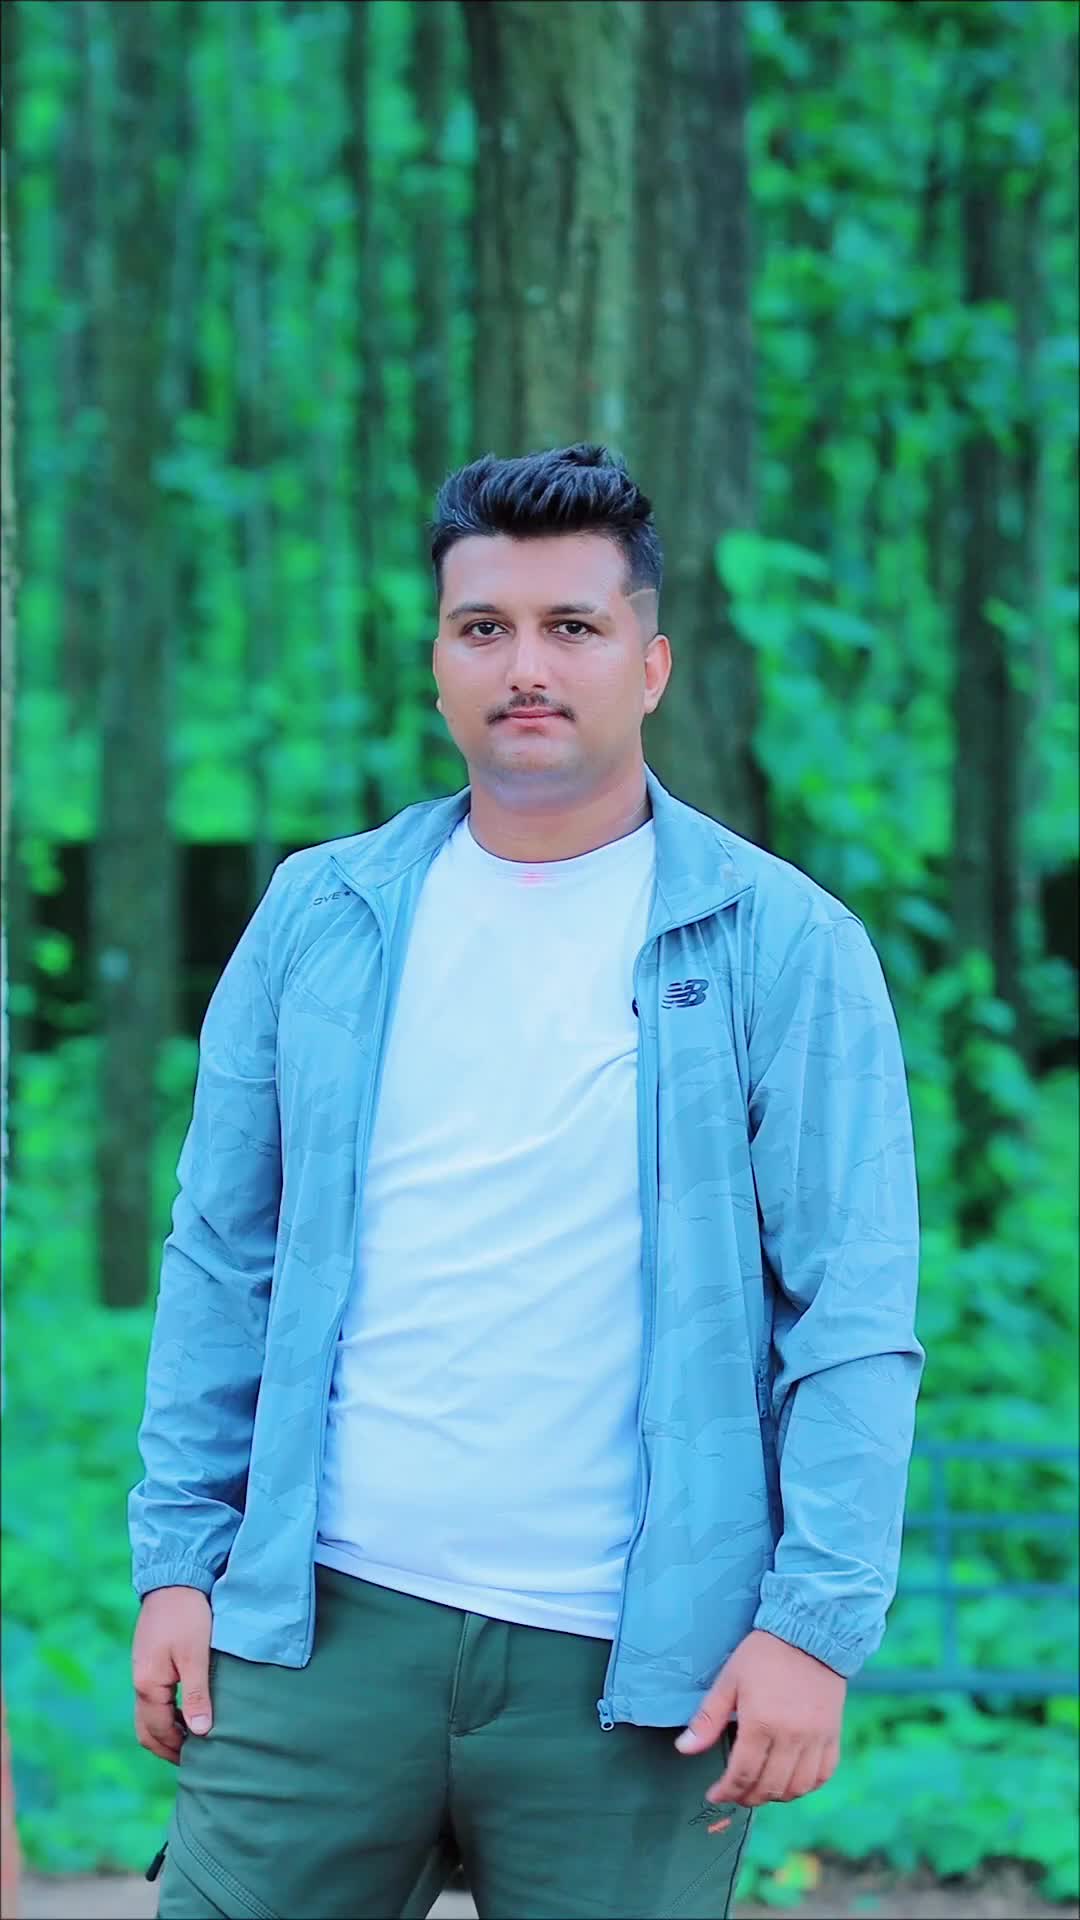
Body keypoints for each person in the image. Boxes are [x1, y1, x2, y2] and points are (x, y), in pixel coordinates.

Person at [129, 444, 924, 1920]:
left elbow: (852, 1318)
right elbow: (221, 1258)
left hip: (634, 1672)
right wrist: (178, 1561)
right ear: (438, 664)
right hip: (316, 1634)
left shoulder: (783, 945)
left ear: (651, 664)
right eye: (483, 627)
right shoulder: (319, 915)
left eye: (573, 627)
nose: (527, 668)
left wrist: (814, 1627)